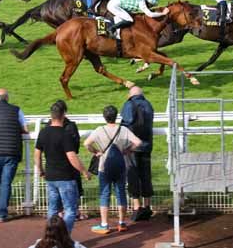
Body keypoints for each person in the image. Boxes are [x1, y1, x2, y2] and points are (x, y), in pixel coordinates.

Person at [84, 105, 141, 235]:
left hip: (104, 166)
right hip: (120, 165)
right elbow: (138, 142)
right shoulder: (123, 129)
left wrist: (96, 152)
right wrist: (127, 150)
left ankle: (104, 224)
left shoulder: (99, 130)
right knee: (121, 192)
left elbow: (86, 144)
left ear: (104, 117)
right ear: (116, 116)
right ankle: (122, 223)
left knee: (104, 194)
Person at [35, 102, 90, 234]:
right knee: (70, 209)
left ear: (51, 115)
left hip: (50, 177)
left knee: (53, 209)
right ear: (64, 114)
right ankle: (65, 238)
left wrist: (41, 170)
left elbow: (36, 154)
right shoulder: (65, 134)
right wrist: (84, 171)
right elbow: (72, 156)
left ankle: (51, 237)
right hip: (66, 177)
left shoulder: (43, 132)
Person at [0, 88, 29, 223]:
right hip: (11, 151)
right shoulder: (17, 110)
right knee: (6, 183)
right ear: (7, 98)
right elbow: (26, 130)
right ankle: (2, 214)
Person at [121, 87, 155, 222]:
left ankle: (137, 207)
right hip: (147, 145)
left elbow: (126, 122)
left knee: (133, 175)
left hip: (132, 147)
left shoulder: (128, 105)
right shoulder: (148, 104)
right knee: (146, 175)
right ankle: (147, 206)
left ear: (130, 95)